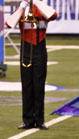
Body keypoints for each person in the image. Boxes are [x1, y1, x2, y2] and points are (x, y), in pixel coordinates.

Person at [6, 0, 57, 130]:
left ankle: (40, 120)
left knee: (39, 84)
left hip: (39, 47)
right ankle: (28, 120)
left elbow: (53, 15)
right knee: (26, 84)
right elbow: (8, 23)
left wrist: (38, 3)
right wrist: (21, 8)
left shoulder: (43, 9)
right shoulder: (21, 10)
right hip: (25, 48)